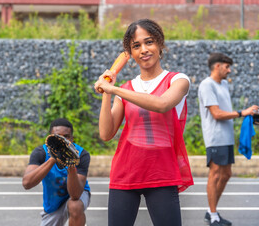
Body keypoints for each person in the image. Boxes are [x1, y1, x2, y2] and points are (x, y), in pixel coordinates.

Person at [94, 18, 193, 226]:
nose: (144, 50)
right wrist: (107, 91)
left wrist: (114, 89)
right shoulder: (125, 87)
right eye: (136, 46)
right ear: (130, 54)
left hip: (162, 172)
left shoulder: (178, 80)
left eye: (149, 42)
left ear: (160, 44)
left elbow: (161, 104)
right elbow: (105, 133)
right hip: (125, 171)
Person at [198, 53, 259, 226]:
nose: (229, 70)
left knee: (226, 174)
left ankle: (211, 211)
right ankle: (213, 215)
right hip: (215, 137)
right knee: (215, 174)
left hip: (227, 137)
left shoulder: (224, 84)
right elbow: (216, 114)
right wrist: (242, 112)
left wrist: (249, 117)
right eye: (227, 67)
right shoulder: (206, 85)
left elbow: (225, 110)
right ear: (217, 66)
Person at [22, 118, 91, 226]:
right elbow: (27, 183)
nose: (62, 140)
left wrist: (71, 166)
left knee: (75, 205)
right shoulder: (41, 152)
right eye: (58, 136)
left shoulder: (81, 154)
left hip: (76, 193)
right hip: (53, 203)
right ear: (50, 138)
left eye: (66, 137)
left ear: (72, 139)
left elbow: (75, 195)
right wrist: (54, 158)